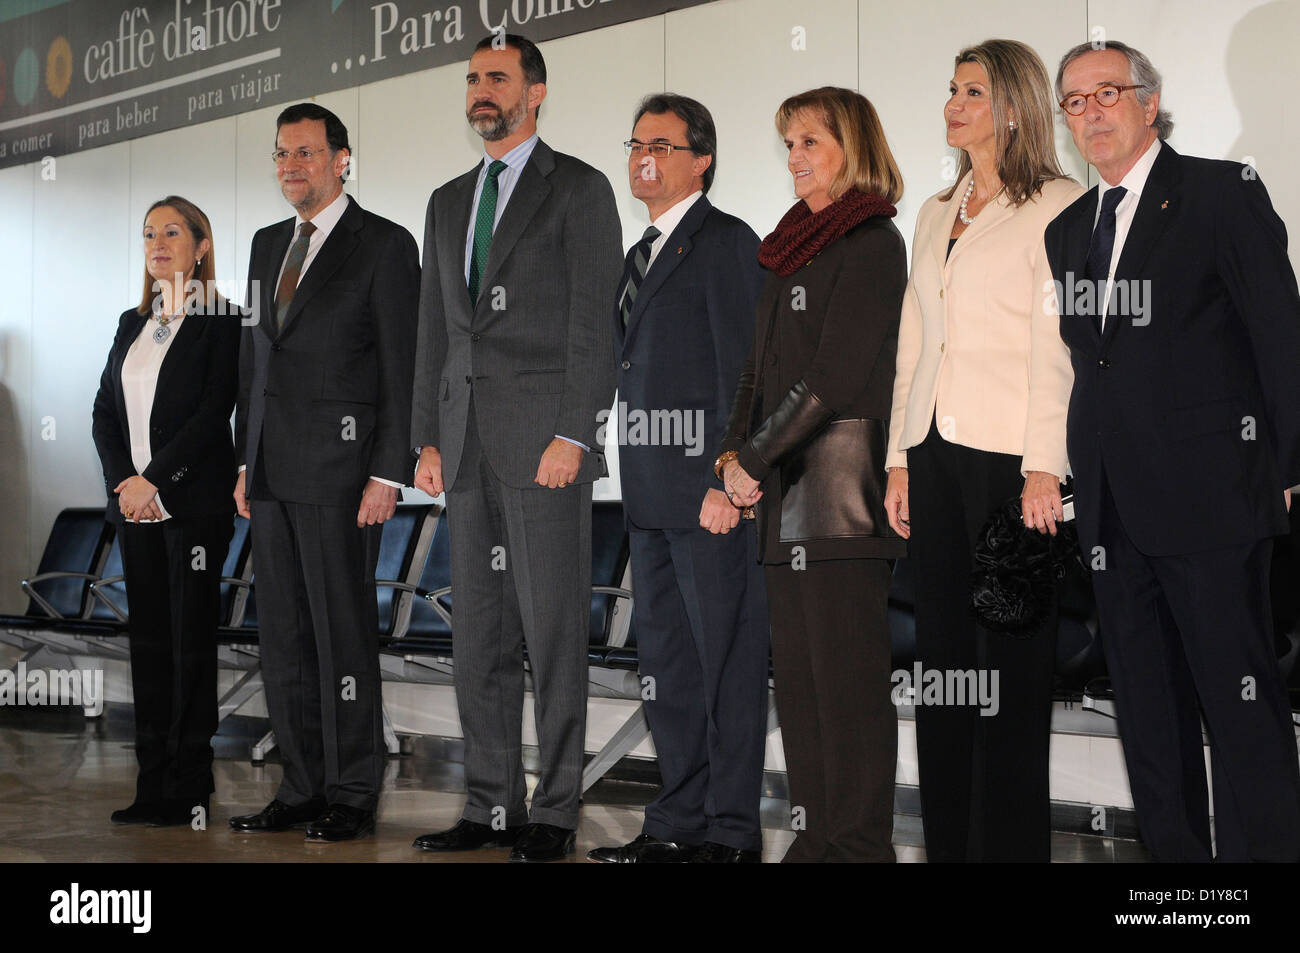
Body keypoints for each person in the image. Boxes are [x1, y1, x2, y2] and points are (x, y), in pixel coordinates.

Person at [1044, 40, 1300, 862]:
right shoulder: (1067, 231)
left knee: (1241, 711)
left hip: (1216, 500)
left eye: (1107, 93)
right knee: (1150, 723)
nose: (1091, 113)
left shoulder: (1224, 196)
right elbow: (1098, 364)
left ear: (1150, 103)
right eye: (1074, 102)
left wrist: (1288, 470)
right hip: (1114, 514)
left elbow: (1281, 342)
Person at [409, 34, 621, 863]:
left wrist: (575, 430)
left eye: (496, 78)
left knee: (553, 632)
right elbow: (436, 330)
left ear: (536, 93)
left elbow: (591, 327)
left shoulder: (580, 189)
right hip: (462, 448)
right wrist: (426, 436)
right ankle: (489, 804)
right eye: (471, 79)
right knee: (479, 643)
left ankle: (557, 808)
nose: (480, 91)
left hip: (544, 449)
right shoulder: (446, 200)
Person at [882, 39, 1083, 862]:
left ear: (1012, 106)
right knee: (944, 666)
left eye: (973, 90)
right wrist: (897, 454)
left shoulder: (1059, 204)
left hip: (1012, 464)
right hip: (931, 456)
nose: (954, 103)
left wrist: (1046, 463)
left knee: (1010, 670)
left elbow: (1059, 345)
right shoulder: (935, 211)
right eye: (951, 88)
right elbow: (911, 345)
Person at [718, 87, 906, 862]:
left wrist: (753, 458)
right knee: (799, 693)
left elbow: (834, 379)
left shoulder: (873, 241)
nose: (794, 157)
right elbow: (755, 376)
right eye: (788, 142)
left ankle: (858, 848)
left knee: (850, 696)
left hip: (840, 500)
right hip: (780, 504)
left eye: (810, 143)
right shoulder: (788, 243)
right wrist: (731, 455)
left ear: (852, 147)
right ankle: (814, 842)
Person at [586, 94, 770, 865]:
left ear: (703, 159)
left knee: (726, 665)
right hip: (649, 499)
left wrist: (726, 482)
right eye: (635, 143)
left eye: (661, 144)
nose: (642, 157)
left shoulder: (727, 244)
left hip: (709, 498)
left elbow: (746, 376)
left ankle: (731, 832)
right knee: (667, 669)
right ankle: (676, 822)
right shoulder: (639, 256)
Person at [229, 103, 419, 843]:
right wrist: (247, 459)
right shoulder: (265, 243)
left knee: (342, 639)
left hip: (344, 477)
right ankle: (302, 785)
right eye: (282, 153)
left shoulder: (385, 245)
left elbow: (401, 369)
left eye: (307, 152)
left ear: (343, 158)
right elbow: (256, 362)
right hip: (273, 473)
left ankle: (351, 791)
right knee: (282, 638)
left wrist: (387, 473)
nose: (291, 166)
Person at [92, 196, 239, 827]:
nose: (158, 243)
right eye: (150, 233)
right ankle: (151, 782)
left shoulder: (224, 320)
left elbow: (213, 415)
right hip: (135, 510)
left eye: (172, 232)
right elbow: (104, 413)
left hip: (192, 507)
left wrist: (154, 480)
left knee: (188, 648)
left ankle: (188, 783)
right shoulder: (132, 321)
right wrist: (125, 483)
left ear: (201, 246)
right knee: (148, 645)